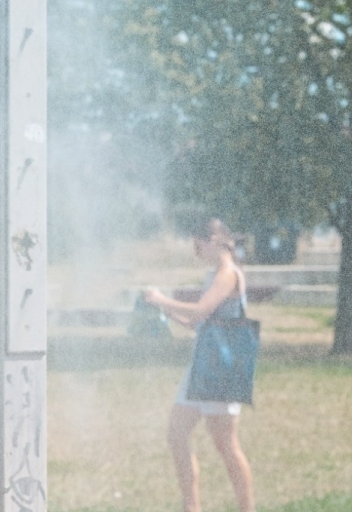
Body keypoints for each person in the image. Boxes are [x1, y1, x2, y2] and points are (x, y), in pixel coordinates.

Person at [144, 219, 256, 512]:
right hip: (203, 364)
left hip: (220, 369)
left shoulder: (228, 274)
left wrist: (161, 298)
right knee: (176, 433)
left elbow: (201, 310)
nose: (197, 253)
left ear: (216, 239)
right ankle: (190, 508)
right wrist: (163, 309)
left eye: (199, 245)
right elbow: (200, 321)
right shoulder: (214, 275)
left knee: (226, 445)